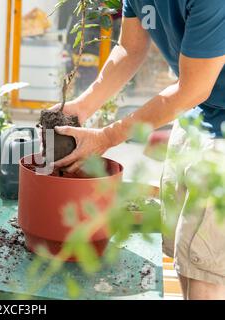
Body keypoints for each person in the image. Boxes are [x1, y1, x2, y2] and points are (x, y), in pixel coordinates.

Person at [52, 0, 225, 300]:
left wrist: (107, 136)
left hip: (218, 127)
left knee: (207, 271)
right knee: (185, 255)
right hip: (195, 115)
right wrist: (84, 105)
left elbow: (193, 88)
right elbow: (129, 48)